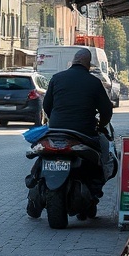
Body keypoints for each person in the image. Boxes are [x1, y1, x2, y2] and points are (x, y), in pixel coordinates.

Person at [41, 47, 114, 196]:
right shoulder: (94, 82)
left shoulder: (56, 78)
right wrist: (101, 126)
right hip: (84, 132)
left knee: (42, 153)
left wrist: (55, 120)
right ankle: (95, 186)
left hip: (56, 130)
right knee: (102, 153)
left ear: (73, 61)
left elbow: (46, 105)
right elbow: (106, 110)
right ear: (88, 64)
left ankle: (36, 180)